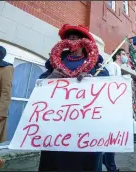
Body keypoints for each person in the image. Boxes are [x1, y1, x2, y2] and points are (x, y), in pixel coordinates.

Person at [37, 24, 109, 171]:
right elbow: (39, 85)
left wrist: (91, 80)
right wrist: (50, 78)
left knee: (85, 160)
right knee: (56, 160)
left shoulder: (97, 64)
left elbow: (107, 85)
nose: (72, 40)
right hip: (57, 120)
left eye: (76, 37)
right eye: (69, 37)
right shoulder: (55, 63)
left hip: (86, 121)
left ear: (84, 42)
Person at [102, 48, 129, 172]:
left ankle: (106, 160)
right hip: (109, 107)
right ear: (117, 56)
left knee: (111, 137)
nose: (125, 57)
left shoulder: (118, 69)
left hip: (114, 106)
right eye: (123, 54)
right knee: (111, 138)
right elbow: (110, 85)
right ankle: (111, 167)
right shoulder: (112, 65)